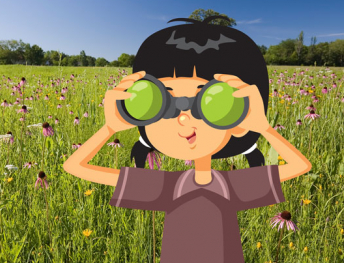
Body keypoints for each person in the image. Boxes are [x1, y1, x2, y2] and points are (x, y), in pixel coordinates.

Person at [63, 16, 311, 263]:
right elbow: (74, 167)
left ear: (237, 121)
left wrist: (262, 126)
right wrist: (109, 128)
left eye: (213, 103)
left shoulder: (230, 187)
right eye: (160, 102)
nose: (183, 119)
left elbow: (301, 167)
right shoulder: (166, 187)